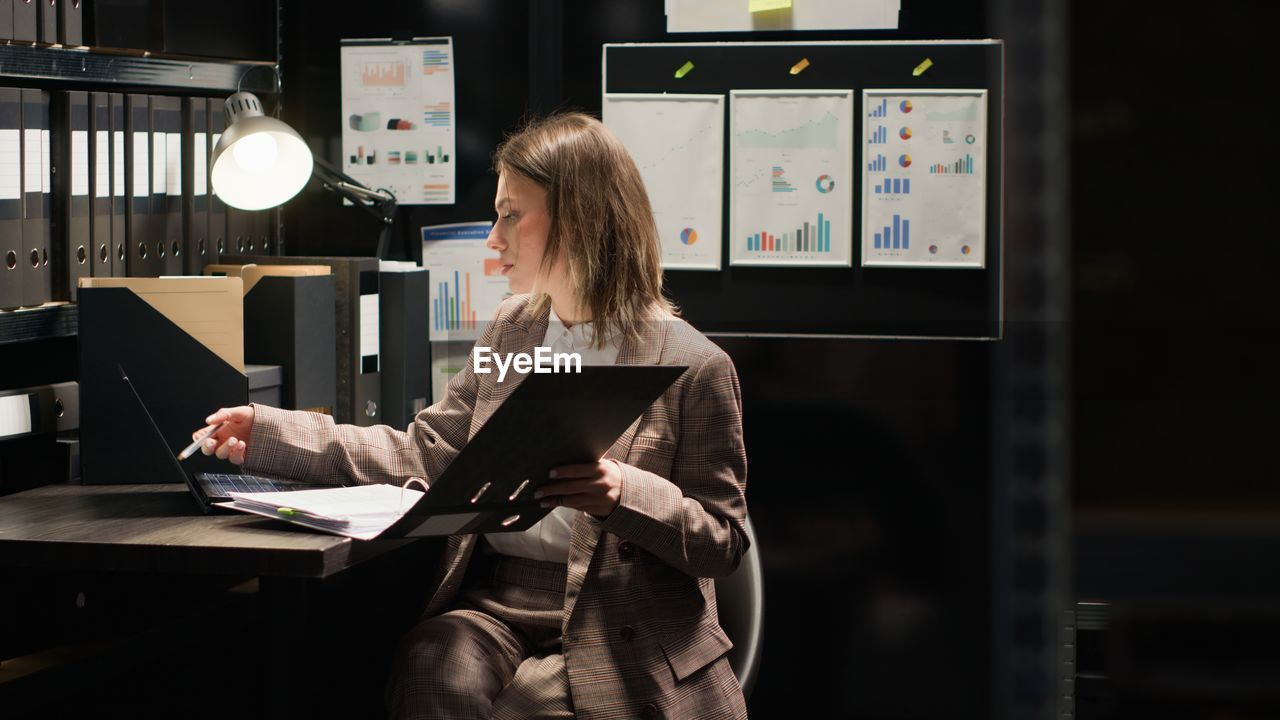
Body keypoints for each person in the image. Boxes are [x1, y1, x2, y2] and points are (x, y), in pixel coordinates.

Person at [196, 112, 749, 720]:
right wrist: (272, 431)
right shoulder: (513, 329)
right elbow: (425, 450)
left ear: (579, 218)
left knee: (534, 708)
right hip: (500, 601)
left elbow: (722, 542)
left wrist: (623, 492)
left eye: (511, 213)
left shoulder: (695, 364)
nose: (493, 236)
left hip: (623, 619)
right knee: (431, 667)